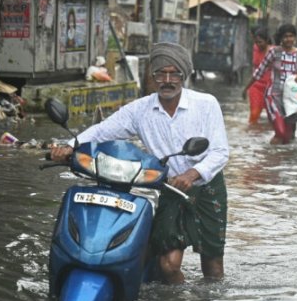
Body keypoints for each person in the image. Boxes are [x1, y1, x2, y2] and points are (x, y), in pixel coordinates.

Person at [50, 42, 230, 284]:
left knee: (213, 267)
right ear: (153, 77)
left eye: (173, 73)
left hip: (207, 188)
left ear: (183, 75)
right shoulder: (140, 110)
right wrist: (70, 146)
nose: (167, 80)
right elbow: (102, 131)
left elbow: (220, 152)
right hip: (171, 188)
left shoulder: (206, 104)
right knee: (167, 266)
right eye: (160, 73)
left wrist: (192, 174)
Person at [242, 23, 297, 145]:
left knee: (288, 137)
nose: (289, 39)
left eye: (291, 36)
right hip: (273, 96)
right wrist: (246, 88)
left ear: (295, 37)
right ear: (281, 38)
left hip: (290, 99)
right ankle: (266, 156)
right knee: (281, 132)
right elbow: (259, 71)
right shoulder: (274, 52)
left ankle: (276, 159)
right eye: (286, 36)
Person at [242, 27, 272, 124]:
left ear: (267, 40)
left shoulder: (273, 51)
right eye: (256, 42)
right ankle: (253, 136)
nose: (258, 45)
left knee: (273, 117)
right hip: (256, 86)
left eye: (260, 42)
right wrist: (246, 88)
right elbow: (256, 70)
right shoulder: (255, 48)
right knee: (254, 114)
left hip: (270, 88)